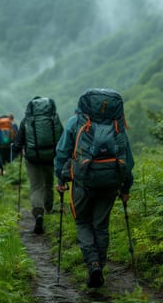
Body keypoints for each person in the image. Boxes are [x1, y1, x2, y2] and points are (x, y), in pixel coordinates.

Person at [54, 88, 134, 288]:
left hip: (83, 182)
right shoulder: (118, 125)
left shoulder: (76, 122)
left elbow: (62, 152)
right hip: (111, 182)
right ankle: (101, 266)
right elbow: (128, 160)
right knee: (101, 225)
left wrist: (61, 179)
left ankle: (93, 264)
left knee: (82, 223)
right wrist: (126, 188)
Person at [12, 97, 63, 234]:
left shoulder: (27, 121)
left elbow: (18, 142)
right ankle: (49, 208)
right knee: (48, 184)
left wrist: (14, 154)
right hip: (51, 157)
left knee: (36, 187)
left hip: (33, 158)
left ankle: (39, 213)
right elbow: (61, 137)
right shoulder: (53, 119)